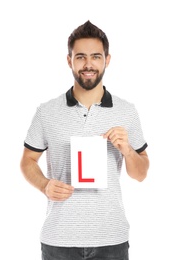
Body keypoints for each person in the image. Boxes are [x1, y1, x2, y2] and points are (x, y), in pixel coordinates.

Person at [20, 20, 149, 260]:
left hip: (112, 239)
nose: (88, 64)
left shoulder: (127, 111)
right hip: (58, 240)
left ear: (107, 60)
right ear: (69, 60)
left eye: (96, 57)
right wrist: (44, 185)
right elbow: (27, 160)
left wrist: (128, 151)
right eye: (80, 57)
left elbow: (141, 173)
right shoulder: (46, 111)